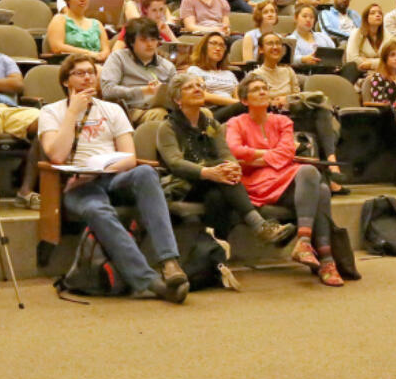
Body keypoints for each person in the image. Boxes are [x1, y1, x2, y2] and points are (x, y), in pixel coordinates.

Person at [39, 54, 188, 303]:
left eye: (91, 72)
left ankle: (169, 262)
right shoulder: (50, 112)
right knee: (97, 210)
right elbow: (56, 154)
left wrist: (103, 170)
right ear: (66, 81)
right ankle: (148, 281)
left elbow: (130, 157)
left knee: (145, 172)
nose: (88, 77)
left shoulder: (112, 109)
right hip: (78, 185)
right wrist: (72, 113)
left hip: (111, 176)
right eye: (80, 73)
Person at [226, 74, 344, 287]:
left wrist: (257, 157)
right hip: (256, 183)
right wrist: (272, 157)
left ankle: (309, 245)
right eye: (256, 89)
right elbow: (235, 152)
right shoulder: (236, 123)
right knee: (315, 181)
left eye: (265, 88)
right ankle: (325, 259)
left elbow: (287, 152)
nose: (262, 92)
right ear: (244, 100)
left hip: (285, 179)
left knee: (319, 185)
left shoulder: (283, 121)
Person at [156, 72, 293, 248]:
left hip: (215, 181)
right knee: (221, 172)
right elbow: (175, 163)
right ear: (177, 99)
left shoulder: (210, 125)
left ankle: (217, 250)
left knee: (217, 197)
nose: (197, 89)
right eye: (189, 87)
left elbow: (224, 152)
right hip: (184, 183)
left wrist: (233, 166)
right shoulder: (167, 127)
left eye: (199, 86)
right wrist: (208, 172)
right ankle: (258, 224)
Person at [249, 32, 343, 193]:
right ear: (261, 50)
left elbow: (296, 96)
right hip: (275, 117)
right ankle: (330, 175)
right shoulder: (255, 75)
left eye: (278, 43)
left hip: (295, 112)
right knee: (323, 115)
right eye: (270, 43)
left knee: (322, 112)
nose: (275, 47)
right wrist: (274, 101)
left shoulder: (288, 72)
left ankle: (331, 161)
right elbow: (256, 100)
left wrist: (286, 99)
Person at [0, 22, 40, 207]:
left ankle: (25, 191)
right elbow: (8, 84)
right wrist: (0, 83)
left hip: (10, 108)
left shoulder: (2, 59)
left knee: (48, 123)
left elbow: (16, 85)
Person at [99, 18, 176, 124]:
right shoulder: (118, 58)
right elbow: (108, 90)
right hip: (129, 110)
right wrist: (144, 90)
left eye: (153, 39)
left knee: (199, 112)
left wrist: (162, 91)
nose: (150, 44)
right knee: (159, 114)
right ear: (131, 42)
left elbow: (178, 93)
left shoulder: (167, 66)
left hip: (162, 108)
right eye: (143, 40)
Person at [185, 32, 243, 121]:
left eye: (222, 45)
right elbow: (202, 95)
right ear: (204, 47)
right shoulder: (195, 70)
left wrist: (239, 104)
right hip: (210, 111)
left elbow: (238, 97)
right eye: (213, 44)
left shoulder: (230, 74)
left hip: (233, 109)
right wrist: (237, 104)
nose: (218, 48)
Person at [46, 0, 111, 59]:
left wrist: (102, 56)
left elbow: (106, 50)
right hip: (69, 64)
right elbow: (57, 47)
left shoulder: (97, 23)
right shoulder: (59, 19)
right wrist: (88, 53)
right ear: (67, 0)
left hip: (97, 64)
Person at [111, 0, 177, 52]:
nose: (158, 14)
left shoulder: (164, 28)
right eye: (154, 10)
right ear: (145, 9)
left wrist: (169, 33)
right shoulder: (133, 27)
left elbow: (180, 51)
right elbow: (115, 51)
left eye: (161, 9)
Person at [345, 2, 385, 74]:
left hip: (382, 73)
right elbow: (352, 59)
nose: (378, 15)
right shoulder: (357, 33)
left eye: (380, 13)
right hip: (361, 75)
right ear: (366, 18)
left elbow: (391, 61)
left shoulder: (387, 35)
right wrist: (379, 62)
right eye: (373, 13)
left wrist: (369, 63)